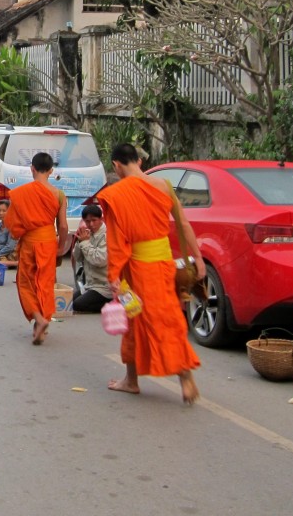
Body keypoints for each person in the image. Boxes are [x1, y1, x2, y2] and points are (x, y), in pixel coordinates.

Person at [96, 143, 204, 404]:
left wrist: (113, 275)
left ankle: (184, 375)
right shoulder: (164, 185)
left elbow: (117, 239)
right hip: (163, 265)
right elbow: (184, 224)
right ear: (140, 162)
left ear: (116, 166)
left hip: (136, 270)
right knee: (148, 321)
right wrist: (198, 258)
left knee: (156, 322)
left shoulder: (116, 193)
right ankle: (131, 380)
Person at [4, 152, 69, 346]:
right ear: (51, 171)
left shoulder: (22, 193)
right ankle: (42, 323)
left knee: (25, 282)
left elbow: (11, 224)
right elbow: (63, 226)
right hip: (49, 241)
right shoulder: (59, 194)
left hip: (30, 240)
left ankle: (38, 320)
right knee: (44, 282)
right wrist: (60, 248)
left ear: (32, 169)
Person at [70, 204, 112, 313]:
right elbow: (78, 258)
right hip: (90, 285)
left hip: (105, 287)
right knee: (69, 301)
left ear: (101, 219)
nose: (91, 224)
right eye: (88, 221)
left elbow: (99, 260)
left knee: (78, 305)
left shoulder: (107, 235)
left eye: (94, 220)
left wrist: (85, 243)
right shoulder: (88, 233)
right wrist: (80, 242)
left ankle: (113, 303)